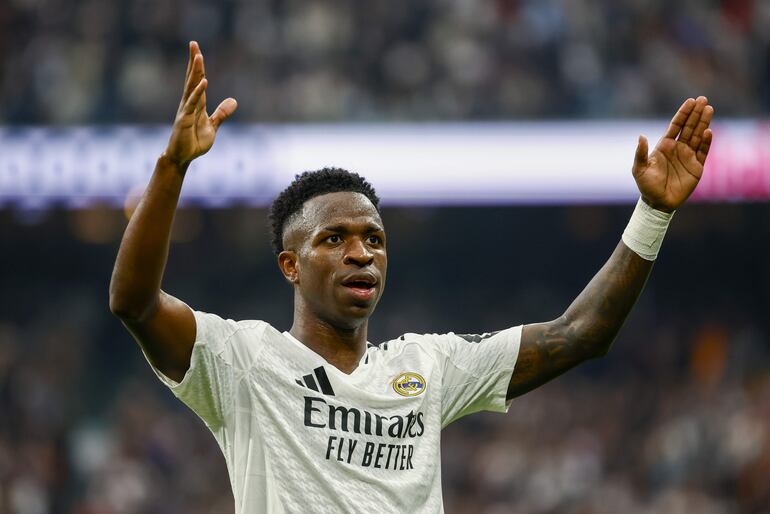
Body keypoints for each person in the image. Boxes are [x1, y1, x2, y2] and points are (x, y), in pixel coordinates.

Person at [109, 41, 714, 513]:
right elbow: (134, 303)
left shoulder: (428, 368)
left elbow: (581, 333)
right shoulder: (243, 360)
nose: (360, 254)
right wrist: (173, 165)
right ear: (290, 266)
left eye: (374, 239)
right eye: (334, 239)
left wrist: (654, 213)